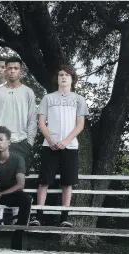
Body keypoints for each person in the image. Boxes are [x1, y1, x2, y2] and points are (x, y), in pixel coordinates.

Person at [31, 65, 88, 227]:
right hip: (49, 146)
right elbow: (41, 122)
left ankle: (64, 218)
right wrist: (51, 140)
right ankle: (38, 216)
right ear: (57, 78)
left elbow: (80, 125)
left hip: (70, 147)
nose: (63, 77)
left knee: (67, 183)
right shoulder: (47, 98)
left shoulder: (79, 99)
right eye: (60, 75)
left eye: (67, 75)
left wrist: (65, 141)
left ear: (72, 79)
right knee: (44, 181)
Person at [0, 126, 32, 250]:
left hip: (11, 193)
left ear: (8, 142)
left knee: (26, 199)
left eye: (1, 139)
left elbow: (20, 185)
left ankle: (19, 238)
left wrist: (2, 193)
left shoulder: (18, 159)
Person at [0, 57, 37, 170]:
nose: (12, 71)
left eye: (16, 68)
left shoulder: (28, 92)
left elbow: (32, 118)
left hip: (21, 142)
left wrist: (29, 142)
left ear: (20, 71)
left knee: (19, 181)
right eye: (10, 68)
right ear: (5, 70)